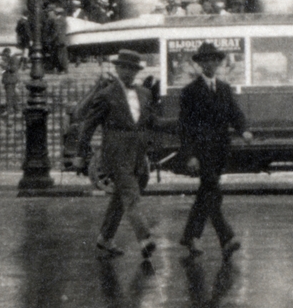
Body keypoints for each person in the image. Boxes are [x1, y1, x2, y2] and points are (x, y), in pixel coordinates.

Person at [77, 50, 160, 260]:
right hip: (116, 154)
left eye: (132, 68)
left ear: (137, 71)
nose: (128, 72)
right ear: (117, 68)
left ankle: (105, 237)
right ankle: (145, 239)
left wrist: (182, 124)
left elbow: (152, 122)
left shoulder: (144, 93)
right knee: (131, 196)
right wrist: (80, 151)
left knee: (121, 197)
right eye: (124, 67)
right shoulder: (106, 95)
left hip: (138, 154)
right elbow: (88, 124)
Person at [177, 43, 252, 260]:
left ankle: (190, 236)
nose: (210, 64)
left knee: (207, 194)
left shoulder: (224, 89)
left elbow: (235, 114)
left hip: (220, 151)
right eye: (205, 60)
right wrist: (190, 155)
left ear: (218, 63)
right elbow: (185, 126)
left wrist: (244, 130)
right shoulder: (190, 92)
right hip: (201, 153)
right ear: (199, 64)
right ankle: (226, 238)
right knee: (213, 192)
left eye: (213, 60)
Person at [0, 47, 24, 116]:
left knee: (9, 96)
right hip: (9, 79)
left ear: (8, 53)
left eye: (5, 54)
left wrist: (4, 66)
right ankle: (17, 110)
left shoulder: (14, 58)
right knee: (13, 96)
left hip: (11, 80)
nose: (4, 56)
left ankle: (10, 110)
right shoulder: (11, 58)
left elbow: (14, 68)